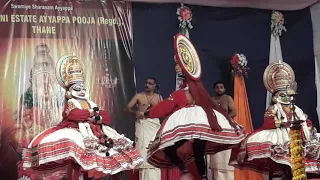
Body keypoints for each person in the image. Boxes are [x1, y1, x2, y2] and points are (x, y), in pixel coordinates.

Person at [20, 54, 143, 180]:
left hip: (97, 135)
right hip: (78, 135)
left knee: (109, 160)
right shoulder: (71, 103)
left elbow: (106, 117)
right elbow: (75, 115)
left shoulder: (91, 103)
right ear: (69, 92)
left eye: (82, 87)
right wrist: (92, 114)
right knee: (77, 163)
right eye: (77, 87)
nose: (81, 90)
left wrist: (94, 118)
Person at [143, 34, 247, 180]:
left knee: (172, 149)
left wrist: (149, 113)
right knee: (198, 151)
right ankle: (201, 176)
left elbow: (165, 105)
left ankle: (185, 169)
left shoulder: (181, 94)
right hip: (200, 123)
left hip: (187, 124)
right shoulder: (199, 92)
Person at [229, 62, 320, 179]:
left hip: (300, 137)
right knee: (281, 163)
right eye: (282, 95)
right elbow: (268, 122)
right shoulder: (274, 108)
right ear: (275, 97)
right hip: (281, 137)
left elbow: (305, 121)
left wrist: (308, 128)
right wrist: (283, 123)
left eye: (287, 94)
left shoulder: (297, 109)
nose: (285, 97)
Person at [126, 77, 162, 180]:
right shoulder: (139, 96)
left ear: (155, 86)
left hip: (153, 126)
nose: (147, 85)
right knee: (143, 152)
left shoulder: (158, 97)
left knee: (153, 151)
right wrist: (136, 112)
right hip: (142, 125)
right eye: (146, 83)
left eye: (150, 83)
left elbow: (163, 111)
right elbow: (127, 108)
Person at [209, 81, 237, 180]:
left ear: (224, 89)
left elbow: (234, 112)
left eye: (221, 87)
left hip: (226, 128)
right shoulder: (211, 99)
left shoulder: (228, 98)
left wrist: (224, 118)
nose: (219, 89)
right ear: (214, 89)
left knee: (226, 155)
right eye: (217, 87)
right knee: (216, 158)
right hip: (215, 129)